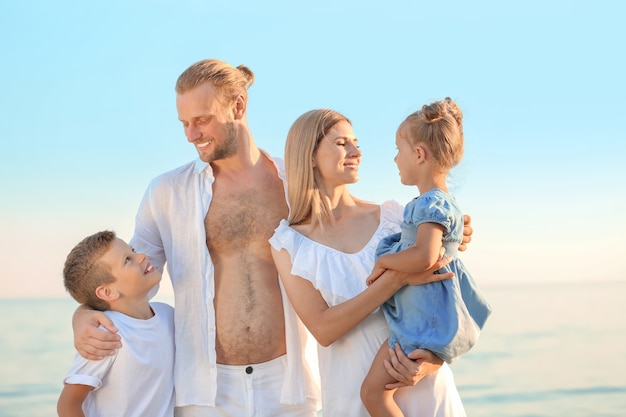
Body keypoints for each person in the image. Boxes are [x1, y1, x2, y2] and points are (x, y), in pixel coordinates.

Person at [71, 59, 473, 416]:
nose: (191, 134)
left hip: (291, 387)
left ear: (239, 107)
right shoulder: (166, 193)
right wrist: (83, 314)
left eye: (203, 120)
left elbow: (372, 232)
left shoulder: (297, 184)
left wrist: (449, 233)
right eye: (184, 124)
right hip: (203, 390)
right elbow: (125, 278)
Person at [270, 108, 470, 416]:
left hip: (427, 393)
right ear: (309, 155)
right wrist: (396, 279)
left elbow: (444, 295)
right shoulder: (289, 245)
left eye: (356, 142)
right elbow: (324, 329)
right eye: (341, 143)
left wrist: (431, 362)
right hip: (353, 401)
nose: (356, 151)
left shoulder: (395, 217)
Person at [360, 98, 492, 417]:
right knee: (375, 394)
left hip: (420, 325)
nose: (395, 158)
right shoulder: (438, 202)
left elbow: (424, 256)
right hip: (422, 319)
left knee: (372, 395)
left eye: (398, 150)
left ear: (418, 154)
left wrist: (384, 262)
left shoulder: (431, 204)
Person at [57, 230, 174, 417]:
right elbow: (68, 404)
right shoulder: (106, 336)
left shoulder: (168, 316)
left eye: (133, 250)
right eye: (128, 260)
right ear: (107, 292)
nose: (142, 256)